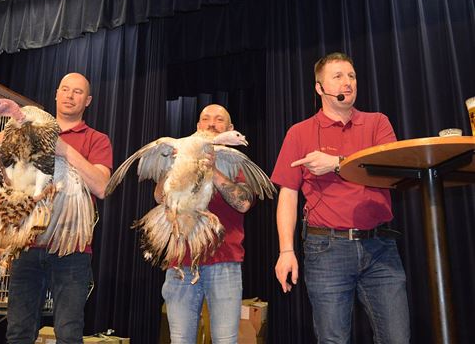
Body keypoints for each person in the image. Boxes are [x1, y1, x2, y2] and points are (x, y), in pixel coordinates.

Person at [271, 52, 410, 343]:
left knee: (397, 338)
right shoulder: (299, 132)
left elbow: (393, 171)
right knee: (332, 339)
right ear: (319, 88)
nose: (347, 82)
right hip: (326, 249)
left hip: (380, 247)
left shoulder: (377, 123)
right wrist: (286, 251)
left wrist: (336, 163)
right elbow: (288, 194)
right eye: (338, 76)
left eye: (352, 76)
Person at [0, 72, 113, 344]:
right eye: (65, 89)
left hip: (72, 247)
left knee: (69, 332)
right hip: (26, 244)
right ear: (56, 94)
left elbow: (102, 187)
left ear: (88, 101)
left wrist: (63, 148)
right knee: (18, 332)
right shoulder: (30, 127)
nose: (70, 96)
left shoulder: (97, 140)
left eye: (78, 92)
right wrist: (12, 131)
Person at [157, 104, 254, 343]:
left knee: (225, 339)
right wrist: (174, 167)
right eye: (205, 119)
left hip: (224, 261)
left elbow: (243, 204)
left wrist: (214, 171)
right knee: (180, 339)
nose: (211, 124)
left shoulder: (236, 162)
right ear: (197, 126)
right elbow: (160, 197)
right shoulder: (181, 152)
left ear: (230, 129)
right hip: (180, 261)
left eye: (219, 120)